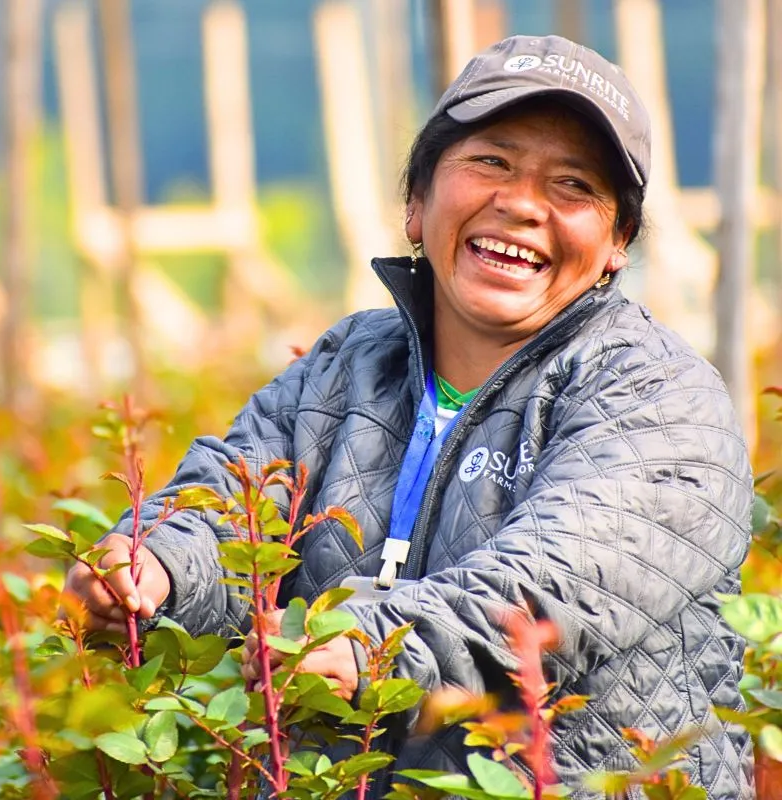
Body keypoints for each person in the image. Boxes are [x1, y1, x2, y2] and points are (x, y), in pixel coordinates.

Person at [64, 34, 754, 798]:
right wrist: (153, 563)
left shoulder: (658, 396)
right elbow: (234, 506)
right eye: (491, 161)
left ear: (617, 242)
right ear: (416, 204)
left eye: (574, 185)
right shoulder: (345, 365)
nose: (523, 203)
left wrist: (374, 646)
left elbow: (552, 587)